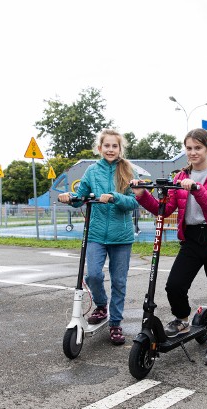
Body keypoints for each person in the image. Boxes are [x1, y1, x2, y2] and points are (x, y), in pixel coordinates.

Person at [132, 128, 207, 366]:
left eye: (198, 148)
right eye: (189, 148)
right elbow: (165, 209)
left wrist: (197, 190)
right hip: (192, 238)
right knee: (174, 285)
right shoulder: (179, 177)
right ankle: (182, 318)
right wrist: (142, 194)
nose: (193, 152)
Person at [58, 129, 139, 345]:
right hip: (96, 234)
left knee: (119, 282)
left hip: (121, 236)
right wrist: (69, 198)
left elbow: (134, 202)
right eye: (107, 146)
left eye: (115, 146)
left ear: (120, 149)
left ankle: (115, 324)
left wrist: (115, 198)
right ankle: (101, 305)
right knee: (92, 275)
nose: (111, 149)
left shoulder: (128, 171)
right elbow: (81, 196)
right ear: (99, 148)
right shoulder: (92, 172)